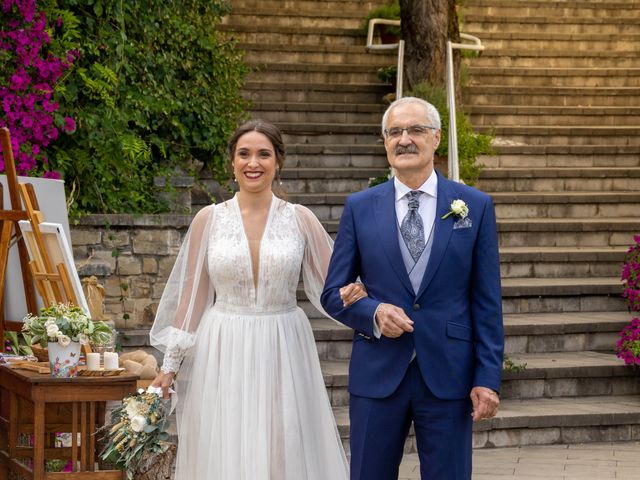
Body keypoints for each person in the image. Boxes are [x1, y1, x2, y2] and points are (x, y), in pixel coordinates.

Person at [149, 120, 365, 479]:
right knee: (226, 440)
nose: (254, 162)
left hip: (283, 342)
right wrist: (169, 367)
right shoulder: (209, 219)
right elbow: (193, 297)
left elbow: (335, 286)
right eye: (244, 154)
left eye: (264, 154)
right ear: (232, 163)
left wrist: (363, 296)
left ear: (277, 162)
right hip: (223, 344)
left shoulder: (301, 219)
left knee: (285, 441)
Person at [321, 97, 504, 480]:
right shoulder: (359, 207)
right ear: (385, 142)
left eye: (415, 130)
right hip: (377, 373)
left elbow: (486, 302)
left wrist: (487, 378)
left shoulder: (474, 206)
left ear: (436, 138)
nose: (404, 139)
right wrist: (372, 312)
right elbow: (332, 294)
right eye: (394, 132)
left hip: (449, 374)